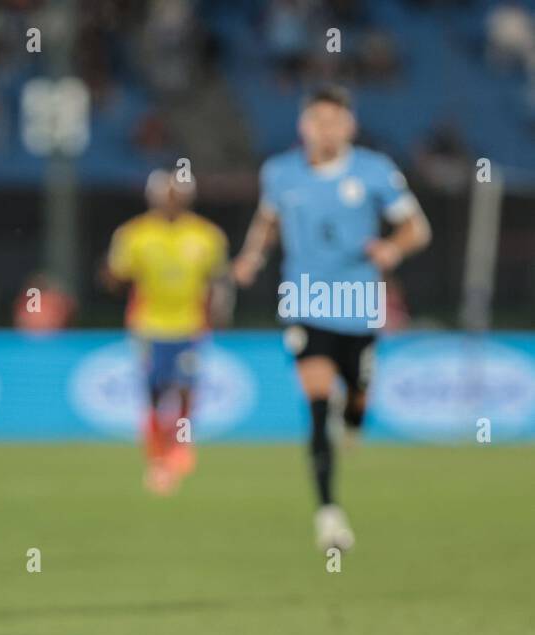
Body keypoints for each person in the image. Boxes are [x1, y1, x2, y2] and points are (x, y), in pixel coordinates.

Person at [232, 85, 430, 551]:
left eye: (336, 120)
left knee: (358, 401)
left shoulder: (375, 171)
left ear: (350, 126)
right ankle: (329, 514)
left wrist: (391, 248)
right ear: (304, 126)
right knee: (318, 401)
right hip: (306, 299)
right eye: (318, 120)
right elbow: (268, 219)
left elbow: (417, 228)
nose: (327, 129)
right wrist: (251, 257)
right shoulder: (280, 174)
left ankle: (354, 410)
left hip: (358, 301)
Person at [103, 169, 228, 494]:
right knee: (155, 392)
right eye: (165, 193)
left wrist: (218, 313)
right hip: (149, 326)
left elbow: (216, 281)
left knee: (186, 390)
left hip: (189, 326)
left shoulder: (206, 235)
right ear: (153, 196)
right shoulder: (135, 235)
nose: (171, 199)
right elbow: (117, 276)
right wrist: (110, 275)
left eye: (177, 193)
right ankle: (158, 456)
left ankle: (179, 448)